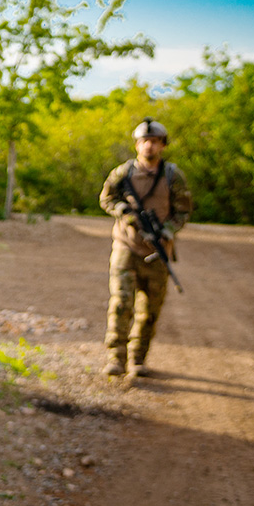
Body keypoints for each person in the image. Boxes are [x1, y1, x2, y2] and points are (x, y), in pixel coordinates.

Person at [98, 118, 192, 378]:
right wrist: (123, 211)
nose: (149, 146)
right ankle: (116, 358)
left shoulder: (173, 175)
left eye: (154, 141)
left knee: (150, 310)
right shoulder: (123, 172)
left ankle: (138, 359)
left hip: (158, 251)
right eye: (144, 141)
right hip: (126, 247)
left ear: (163, 145)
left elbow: (183, 211)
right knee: (121, 303)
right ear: (137, 144)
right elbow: (106, 198)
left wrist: (167, 231)